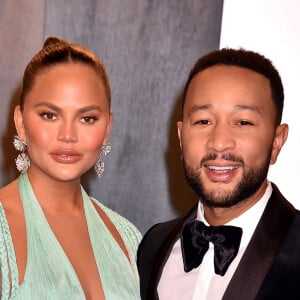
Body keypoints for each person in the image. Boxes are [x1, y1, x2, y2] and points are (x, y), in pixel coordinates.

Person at [137, 48, 300, 300]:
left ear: (276, 142)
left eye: (243, 122)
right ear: (181, 138)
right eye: (203, 121)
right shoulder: (153, 246)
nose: (220, 143)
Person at [0, 36, 141, 299]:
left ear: (107, 127)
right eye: (50, 115)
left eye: (87, 118)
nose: (68, 135)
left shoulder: (129, 238)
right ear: (20, 122)